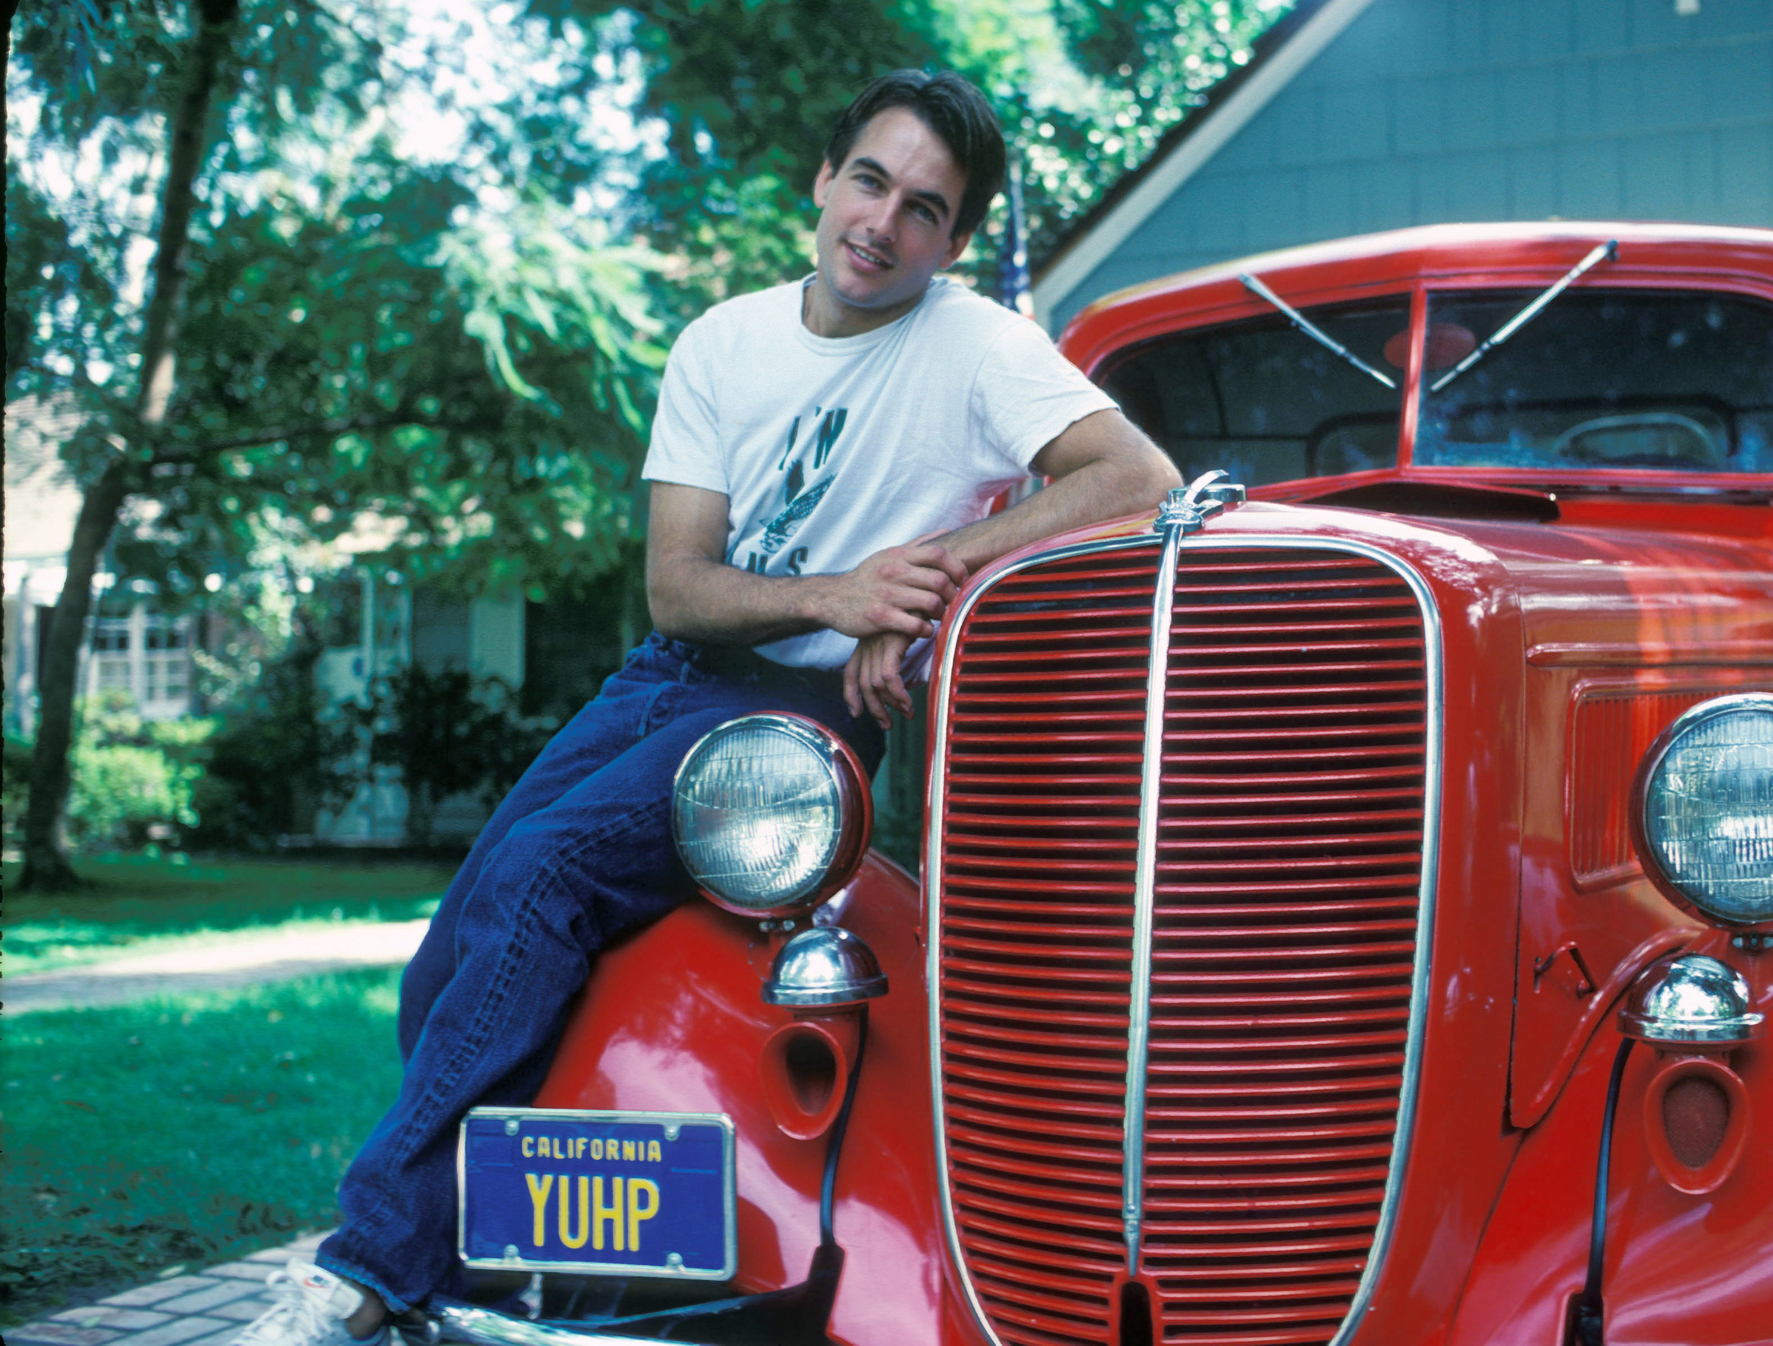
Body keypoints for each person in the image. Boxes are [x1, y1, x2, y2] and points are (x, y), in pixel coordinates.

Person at [232, 68, 1182, 1346]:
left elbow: (1135, 474)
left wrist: (921, 585)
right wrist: (842, 589)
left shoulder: (979, 347)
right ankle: (467, 1274)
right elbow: (677, 587)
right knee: (452, 951)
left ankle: (362, 1269)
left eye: (922, 208)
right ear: (823, 178)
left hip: (802, 722)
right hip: (669, 674)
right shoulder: (721, 343)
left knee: (545, 875)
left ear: (951, 242)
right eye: (868, 180)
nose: (881, 222)